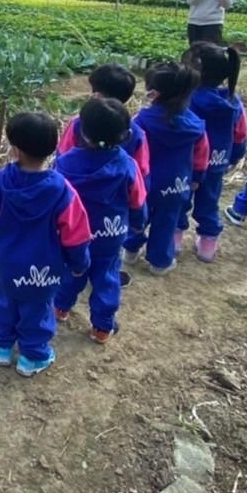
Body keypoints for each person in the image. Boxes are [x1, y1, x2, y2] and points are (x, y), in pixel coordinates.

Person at [0, 112, 92, 376]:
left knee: (4, 301)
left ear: (14, 150)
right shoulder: (62, 190)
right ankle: (32, 357)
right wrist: (79, 262)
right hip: (45, 267)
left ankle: (1, 347)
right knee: (37, 309)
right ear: (52, 148)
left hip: (7, 262)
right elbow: (76, 232)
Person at [52, 98, 146, 342]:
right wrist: (138, 222)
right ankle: (102, 328)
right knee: (107, 278)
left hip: (73, 237)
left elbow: (56, 198)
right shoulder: (128, 165)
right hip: (110, 235)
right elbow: (137, 200)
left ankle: (59, 307)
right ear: (125, 135)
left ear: (81, 130)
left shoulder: (64, 163)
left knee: (72, 271)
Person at [131, 63, 209, 276]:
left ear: (153, 93)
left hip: (145, 182)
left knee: (139, 216)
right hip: (177, 184)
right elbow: (202, 155)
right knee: (167, 223)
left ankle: (130, 251)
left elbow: (133, 152)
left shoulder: (141, 121)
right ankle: (160, 262)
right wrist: (197, 178)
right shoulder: (195, 125)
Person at [181, 43, 247, 263]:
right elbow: (241, 133)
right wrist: (235, 156)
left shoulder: (186, 99)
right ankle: (207, 247)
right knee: (209, 202)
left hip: (186, 163)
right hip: (217, 163)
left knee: (179, 202)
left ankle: (172, 242)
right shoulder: (232, 100)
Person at [57, 64, 150, 180]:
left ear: (97, 96)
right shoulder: (136, 133)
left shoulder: (78, 123)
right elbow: (143, 174)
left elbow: (61, 155)